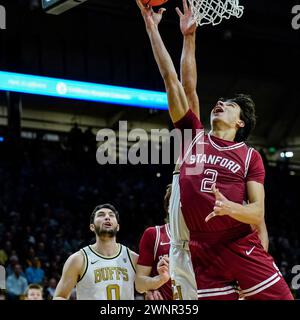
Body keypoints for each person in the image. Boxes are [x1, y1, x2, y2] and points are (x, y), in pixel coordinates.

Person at [136, 0, 293, 300]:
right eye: (219, 102)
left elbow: (258, 215)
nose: (220, 104)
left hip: (237, 241)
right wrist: (159, 30)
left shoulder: (249, 155)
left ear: (240, 123)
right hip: (198, 248)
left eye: (230, 105)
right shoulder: (192, 137)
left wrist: (228, 207)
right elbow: (177, 83)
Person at [53, 204, 138, 300]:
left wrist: (151, 290)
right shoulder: (78, 259)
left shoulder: (133, 258)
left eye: (111, 215)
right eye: (101, 215)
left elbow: (146, 287)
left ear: (118, 227)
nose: (107, 217)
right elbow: (59, 296)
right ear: (92, 227)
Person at [135, 184, 172, 300]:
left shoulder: (204, 235)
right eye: (177, 200)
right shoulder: (154, 235)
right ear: (169, 207)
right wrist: (160, 280)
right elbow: (140, 285)